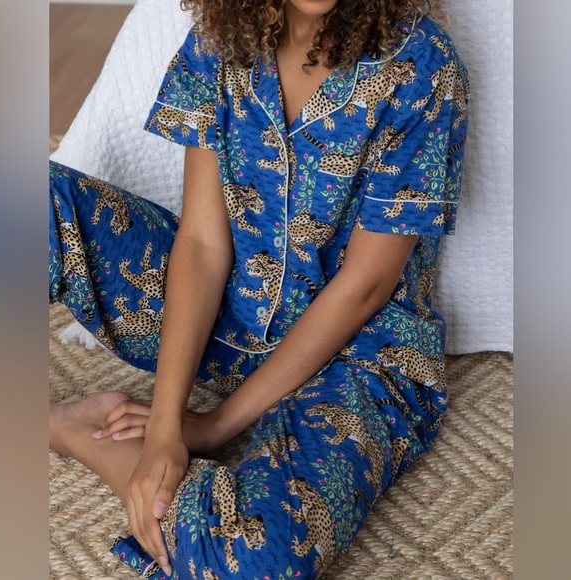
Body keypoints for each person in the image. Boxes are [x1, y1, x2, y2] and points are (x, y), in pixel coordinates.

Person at [49, 0, 469, 577]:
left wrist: (214, 425)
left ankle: (76, 432)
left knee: (255, 561)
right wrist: (167, 427)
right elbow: (202, 243)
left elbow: (366, 286)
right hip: (230, 324)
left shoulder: (423, 66)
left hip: (359, 358)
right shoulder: (221, 40)